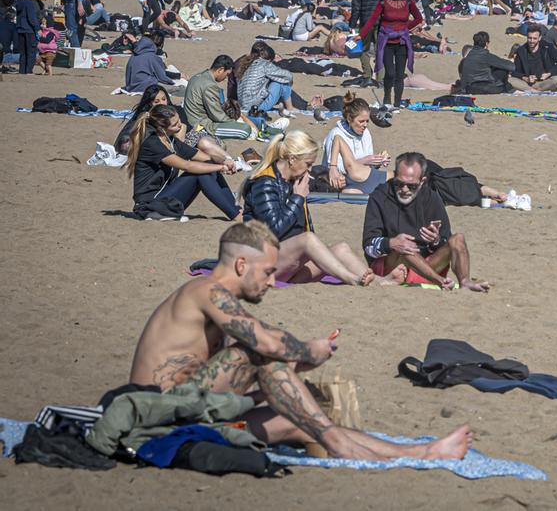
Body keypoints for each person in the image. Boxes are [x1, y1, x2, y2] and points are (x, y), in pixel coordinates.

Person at [127, 221, 474, 461]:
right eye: (267, 272)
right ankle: (339, 443)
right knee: (257, 353)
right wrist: (307, 350)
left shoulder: (216, 300)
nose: (270, 281)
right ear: (241, 264)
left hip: (189, 413)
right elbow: (262, 343)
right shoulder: (206, 291)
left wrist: (293, 362)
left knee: (302, 421)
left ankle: (419, 452)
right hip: (157, 415)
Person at [242, 130, 379, 286]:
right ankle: (349, 278)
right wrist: (298, 198)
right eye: (308, 164)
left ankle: (378, 283)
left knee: (341, 249)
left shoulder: (293, 181)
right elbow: (273, 229)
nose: (309, 171)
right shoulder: (265, 183)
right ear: (292, 159)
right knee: (307, 240)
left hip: (286, 264)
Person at [361, 152, 490, 291]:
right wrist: (391, 243)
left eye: (411, 186)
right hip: (393, 267)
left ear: (422, 181)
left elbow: (445, 240)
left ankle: (465, 281)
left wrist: (436, 241)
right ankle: (441, 282)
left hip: (426, 267)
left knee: (458, 239)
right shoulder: (380, 197)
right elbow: (368, 246)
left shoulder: (431, 198)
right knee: (405, 246)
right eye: (399, 183)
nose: (404, 190)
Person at [126, 105, 241, 221]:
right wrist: (220, 167)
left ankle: (237, 209)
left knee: (208, 164)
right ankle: (236, 215)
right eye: (175, 124)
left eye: (179, 120)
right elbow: (187, 166)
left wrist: (224, 160)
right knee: (202, 173)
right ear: (161, 129)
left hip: (167, 199)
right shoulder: (152, 144)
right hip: (149, 205)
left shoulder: (171, 141)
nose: (180, 125)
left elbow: (204, 157)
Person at [360, 0, 424, 108]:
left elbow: (419, 18)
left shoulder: (408, 2)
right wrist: (361, 34)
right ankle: (387, 97)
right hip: (386, 42)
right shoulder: (383, 2)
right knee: (389, 73)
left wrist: (405, 29)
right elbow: (372, 20)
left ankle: (397, 102)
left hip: (402, 43)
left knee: (400, 75)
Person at [322, 93, 390, 194]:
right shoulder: (336, 134)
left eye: (367, 121)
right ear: (349, 119)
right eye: (361, 121)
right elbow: (333, 168)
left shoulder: (365, 133)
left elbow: (367, 167)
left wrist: (378, 161)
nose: (365, 125)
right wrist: (365, 160)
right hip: (341, 180)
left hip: (361, 178)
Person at [184, 54, 256, 140]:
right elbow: (217, 115)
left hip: (192, 119)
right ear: (221, 70)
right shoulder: (210, 85)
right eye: (227, 74)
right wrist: (234, 122)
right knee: (245, 129)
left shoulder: (197, 76)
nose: (226, 78)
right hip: (201, 125)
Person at [349, 0, 388, 81]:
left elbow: (356, 7)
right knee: (380, 49)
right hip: (382, 21)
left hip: (366, 21)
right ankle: (380, 78)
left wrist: (352, 24)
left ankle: (367, 74)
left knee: (364, 49)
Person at [237, 43, 297, 118]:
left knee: (276, 79)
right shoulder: (265, 64)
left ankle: (284, 106)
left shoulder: (246, 64)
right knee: (280, 82)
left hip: (243, 105)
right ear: (269, 59)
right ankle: (289, 107)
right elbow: (288, 76)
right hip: (255, 107)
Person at [511, 25, 557, 91]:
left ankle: (533, 90)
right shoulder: (521, 50)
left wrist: (549, 74)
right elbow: (515, 72)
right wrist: (526, 78)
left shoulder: (548, 47)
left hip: (545, 82)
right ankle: (533, 91)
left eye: (535, 38)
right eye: (530, 38)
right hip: (528, 83)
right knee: (510, 80)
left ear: (540, 38)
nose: (532, 41)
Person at [14, 0, 40, 75]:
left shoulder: (18, 3)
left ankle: (22, 71)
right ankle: (29, 71)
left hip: (20, 29)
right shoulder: (30, 4)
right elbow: (31, 18)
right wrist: (37, 28)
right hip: (29, 31)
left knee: (23, 53)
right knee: (31, 52)